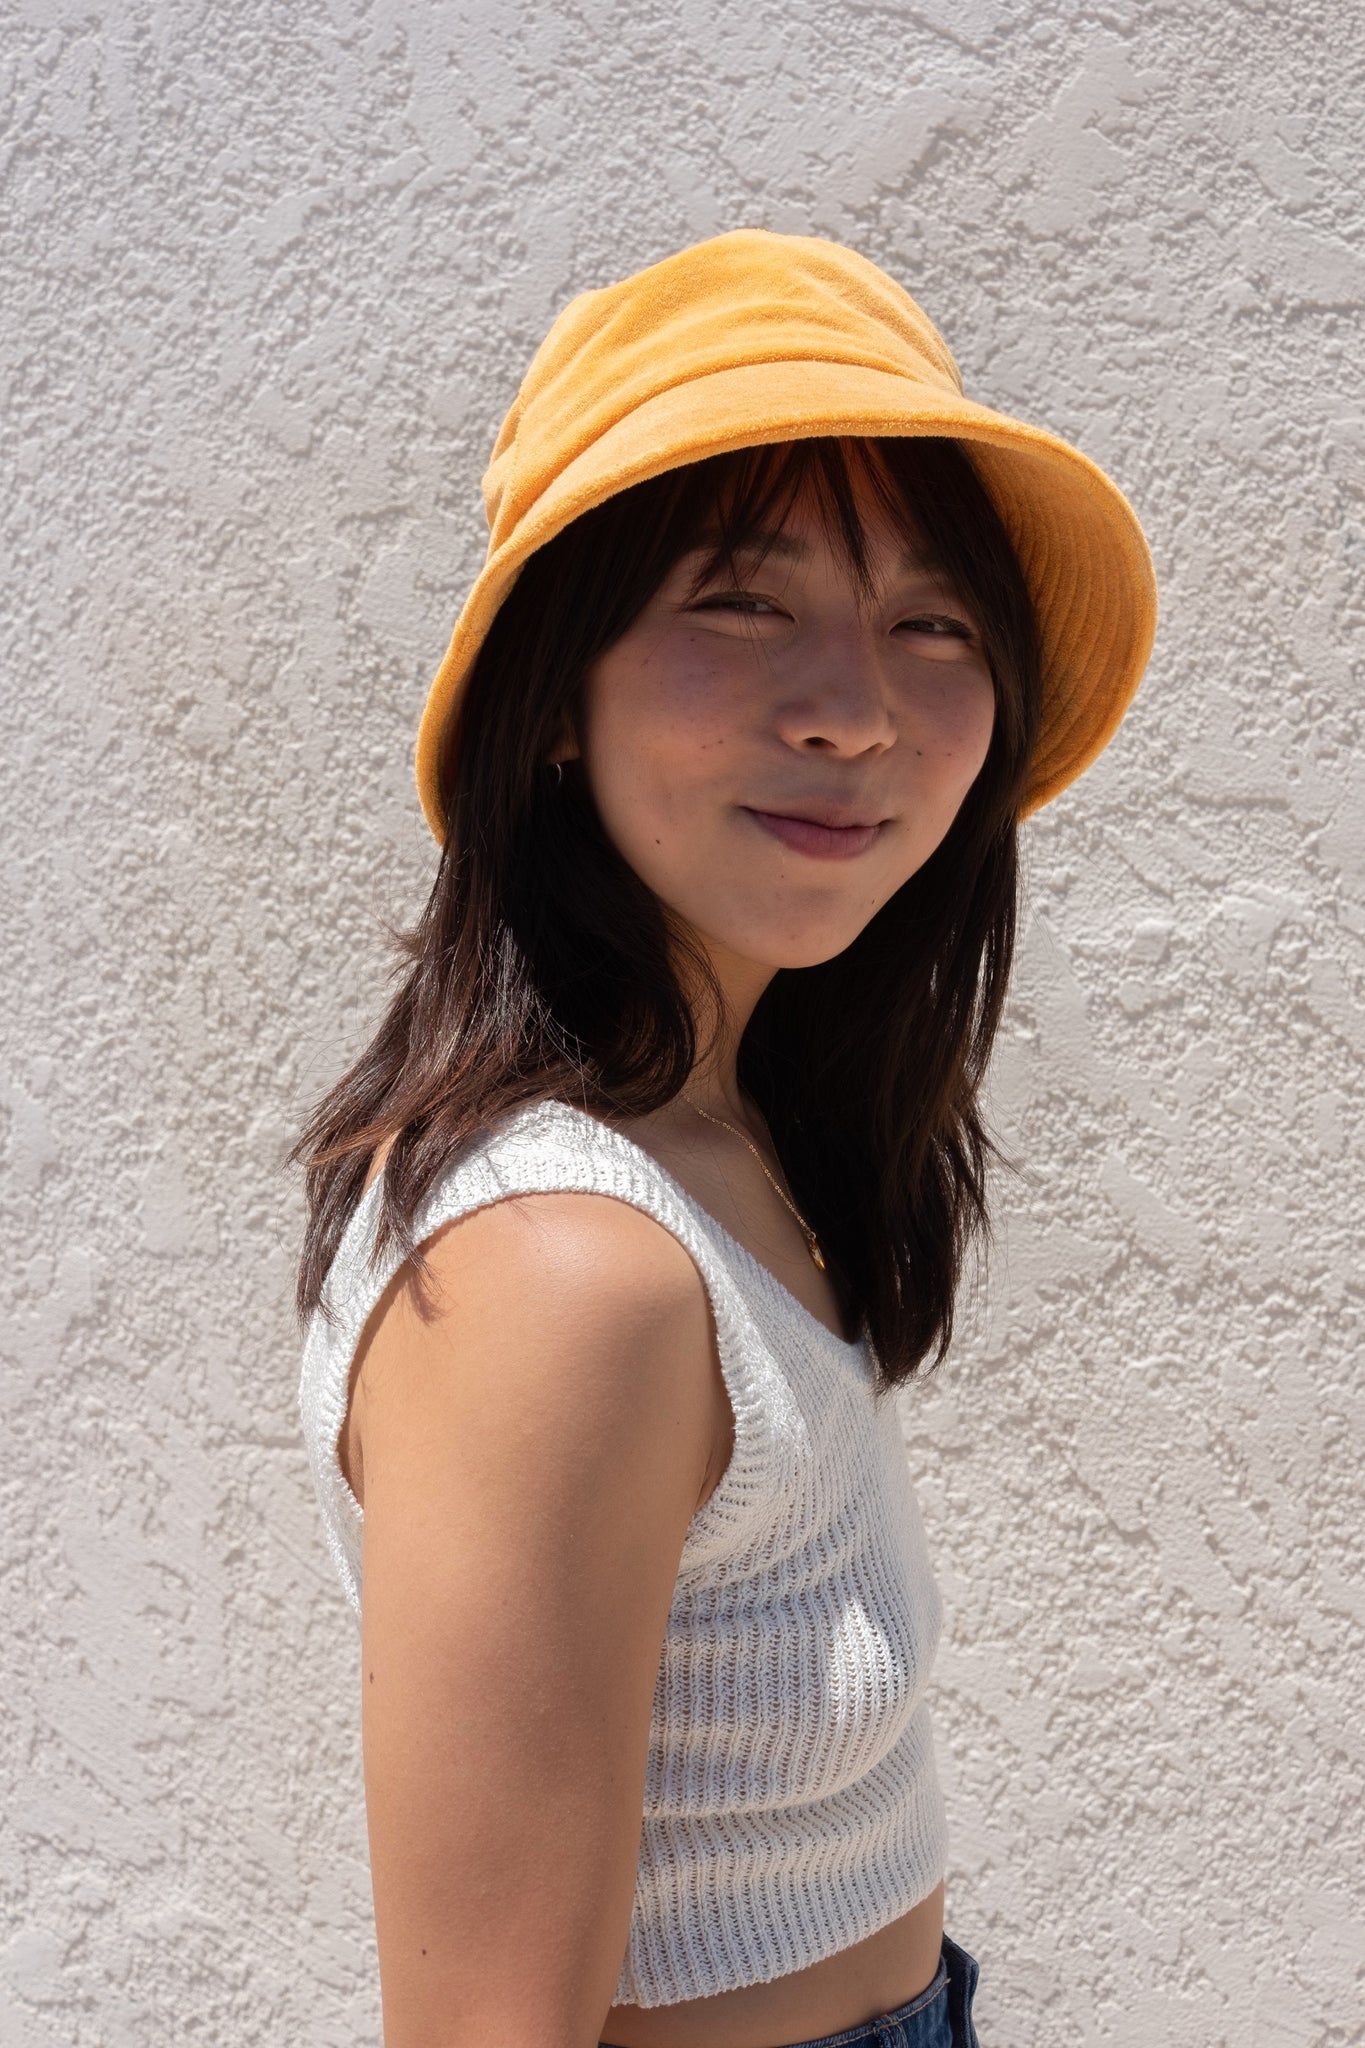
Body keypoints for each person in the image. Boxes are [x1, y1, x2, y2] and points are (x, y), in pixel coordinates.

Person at [294, 229, 1156, 2048]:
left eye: (932, 625)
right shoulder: (559, 1271)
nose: (853, 708)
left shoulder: (715, 1141)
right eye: (740, 603)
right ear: (554, 698)